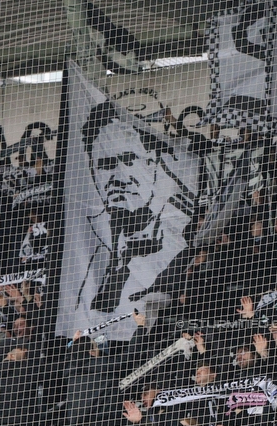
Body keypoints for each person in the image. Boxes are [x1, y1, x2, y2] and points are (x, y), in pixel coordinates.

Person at [78, 100, 193, 315]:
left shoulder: (181, 220)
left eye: (127, 161)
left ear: (151, 163)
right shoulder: (89, 239)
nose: (116, 179)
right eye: (105, 165)